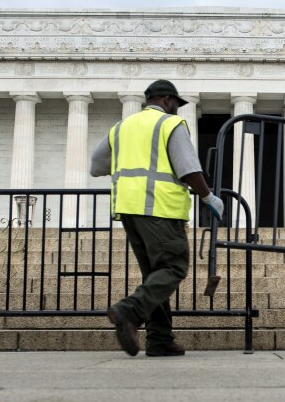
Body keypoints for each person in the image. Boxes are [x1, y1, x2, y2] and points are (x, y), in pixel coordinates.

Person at [90, 79, 224, 357]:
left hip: (128, 208)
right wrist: (208, 197)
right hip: (160, 208)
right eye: (176, 103)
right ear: (165, 100)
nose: (177, 109)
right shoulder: (170, 125)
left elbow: (97, 166)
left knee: (155, 274)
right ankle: (129, 311)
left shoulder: (121, 127)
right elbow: (188, 169)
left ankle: (160, 339)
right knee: (174, 268)